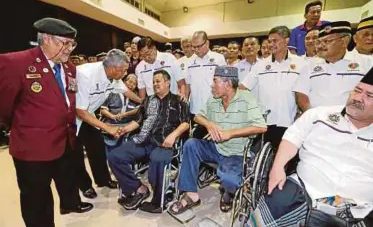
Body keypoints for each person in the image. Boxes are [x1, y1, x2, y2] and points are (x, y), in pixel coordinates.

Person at [247, 67, 373, 227]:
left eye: (369, 95)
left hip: (358, 205)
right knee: (272, 207)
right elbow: (292, 137)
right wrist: (277, 167)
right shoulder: (320, 115)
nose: (359, 98)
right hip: (305, 188)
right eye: (357, 90)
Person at [0, 17, 93, 227]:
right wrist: (18, 126)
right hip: (32, 146)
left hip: (64, 142)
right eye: (65, 43)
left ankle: (69, 204)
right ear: (47, 39)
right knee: (37, 199)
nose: (69, 49)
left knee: (65, 183)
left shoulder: (70, 68)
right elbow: (4, 104)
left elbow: (68, 101)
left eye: (72, 44)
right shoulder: (16, 62)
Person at [169, 66, 267, 216]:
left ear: (228, 84)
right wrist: (209, 124)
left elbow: (261, 127)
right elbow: (197, 117)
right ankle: (190, 194)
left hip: (237, 153)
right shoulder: (214, 99)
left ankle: (228, 194)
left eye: (215, 81)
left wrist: (230, 133)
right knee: (191, 144)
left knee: (230, 180)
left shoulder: (246, 99)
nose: (212, 85)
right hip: (216, 148)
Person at [107, 69, 189, 213]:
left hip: (165, 143)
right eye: (153, 82)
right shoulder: (148, 100)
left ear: (168, 82)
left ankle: (158, 201)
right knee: (115, 156)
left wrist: (173, 135)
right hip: (144, 140)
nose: (155, 84)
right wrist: (124, 130)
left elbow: (186, 123)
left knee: (157, 160)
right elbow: (138, 121)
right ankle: (138, 188)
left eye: (158, 81)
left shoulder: (178, 101)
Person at [75, 49, 141, 199]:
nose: (125, 74)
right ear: (112, 68)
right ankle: (85, 186)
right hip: (72, 118)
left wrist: (144, 102)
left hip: (88, 115)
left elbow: (126, 92)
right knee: (76, 155)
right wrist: (107, 127)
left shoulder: (113, 77)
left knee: (97, 147)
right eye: (123, 70)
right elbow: (80, 111)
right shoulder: (86, 75)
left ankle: (103, 180)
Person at [240, 26, 306, 152]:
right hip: (264, 123)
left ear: (287, 41)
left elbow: (303, 94)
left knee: (283, 162)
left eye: (275, 41)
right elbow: (243, 88)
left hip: (288, 122)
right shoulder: (261, 65)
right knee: (261, 160)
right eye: (269, 41)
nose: (271, 44)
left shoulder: (301, 64)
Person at [294, 21, 373, 112]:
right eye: (318, 42)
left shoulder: (367, 63)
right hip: (317, 121)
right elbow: (301, 94)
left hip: (351, 122)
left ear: (344, 41)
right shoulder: (309, 65)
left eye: (326, 41)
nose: (320, 46)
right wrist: (311, 116)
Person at [186, 31, 226, 121]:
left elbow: (224, 83)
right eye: (194, 47)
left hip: (215, 109)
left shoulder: (219, 58)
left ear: (207, 43)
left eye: (199, 46)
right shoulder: (189, 61)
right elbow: (188, 85)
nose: (196, 50)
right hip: (195, 110)